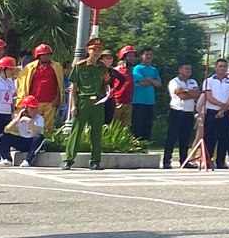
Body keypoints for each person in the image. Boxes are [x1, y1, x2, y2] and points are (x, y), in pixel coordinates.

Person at [63, 38, 111, 170]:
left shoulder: (103, 68)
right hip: (83, 101)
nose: (97, 52)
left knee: (96, 133)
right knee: (76, 132)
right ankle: (68, 160)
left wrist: (108, 92)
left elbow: (106, 83)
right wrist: (73, 105)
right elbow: (74, 87)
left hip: (98, 103)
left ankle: (95, 161)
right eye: (94, 50)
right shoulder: (80, 66)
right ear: (88, 50)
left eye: (99, 50)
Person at [200, 59, 229, 170]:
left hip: (226, 112)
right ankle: (207, 160)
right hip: (212, 112)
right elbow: (208, 96)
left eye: (224, 66)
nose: (222, 68)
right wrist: (221, 106)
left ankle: (221, 161)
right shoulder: (208, 81)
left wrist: (224, 108)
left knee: (224, 137)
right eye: (220, 66)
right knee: (209, 137)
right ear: (216, 67)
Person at [17, 44, 64, 132]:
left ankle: (47, 140)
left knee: (48, 126)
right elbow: (23, 84)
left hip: (50, 102)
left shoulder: (57, 67)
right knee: (33, 124)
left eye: (48, 54)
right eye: (43, 55)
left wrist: (57, 98)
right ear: (38, 56)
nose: (46, 56)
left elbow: (59, 84)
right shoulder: (30, 67)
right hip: (34, 103)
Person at [162, 63, 200, 169]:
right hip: (177, 111)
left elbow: (197, 94)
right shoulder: (174, 82)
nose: (188, 70)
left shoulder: (193, 81)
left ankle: (184, 161)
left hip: (189, 112)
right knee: (172, 137)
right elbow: (182, 96)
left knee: (185, 138)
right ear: (180, 70)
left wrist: (186, 90)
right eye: (186, 68)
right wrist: (190, 93)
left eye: (190, 68)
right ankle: (166, 161)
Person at [0, 95, 46, 167]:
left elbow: (37, 132)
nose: (35, 111)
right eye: (32, 108)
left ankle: (28, 160)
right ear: (25, 109)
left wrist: (30, 122)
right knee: (3, 136)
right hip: (22, 141)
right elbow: (6, 130)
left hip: (32, 142)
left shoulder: (39, 118)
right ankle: (7, 159)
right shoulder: (18, 118)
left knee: (40, 137)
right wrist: (17, 120)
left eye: (36, 108)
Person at [130, 48, 162, 142]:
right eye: (147, 54)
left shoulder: (154, 70)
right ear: (141, 56)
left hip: (150, 101)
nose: (149, 57)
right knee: (137, 125)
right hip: (138, 101)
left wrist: (149, 79)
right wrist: (152, 81)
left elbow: (159, 84)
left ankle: (146, 144)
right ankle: (136, 144)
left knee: (147, 125)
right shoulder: (137, 68)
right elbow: (141, 82)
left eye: (151, 55)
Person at [113, 46, 138, 130]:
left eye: (133, 56)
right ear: (123, 56)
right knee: (114, 126)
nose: (131, 58)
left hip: (128, 102)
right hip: (117, 102)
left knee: (126, 128)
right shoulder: (116, 70)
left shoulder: (134, 71)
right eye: (129, 56)